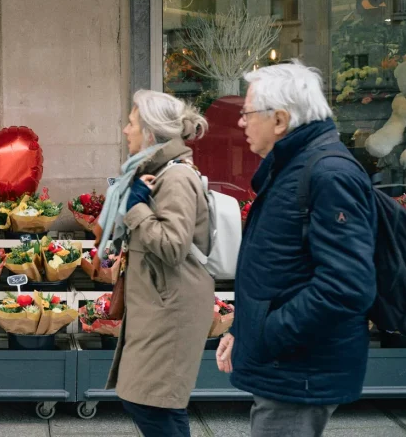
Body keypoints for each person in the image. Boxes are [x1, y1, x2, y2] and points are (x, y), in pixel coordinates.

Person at [215, 60, 377, 437]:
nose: (241, 123)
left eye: (247, 113)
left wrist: (267, 334)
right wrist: (243, 330)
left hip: (300, 369)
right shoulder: (293, 167)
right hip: (289, 364)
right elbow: (280, 271)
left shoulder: (327, 173)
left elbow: (346, 286)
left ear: (280, 120)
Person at [100, 89, 214, 437]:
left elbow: (173, 246)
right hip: (159, 304)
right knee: (151, 402)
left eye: (131, 123)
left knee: (155, 404)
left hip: (171, 309)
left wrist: (136, 209)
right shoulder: (157, 172)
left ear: (150, 132)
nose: (124, 130)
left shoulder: (176, 177)